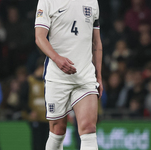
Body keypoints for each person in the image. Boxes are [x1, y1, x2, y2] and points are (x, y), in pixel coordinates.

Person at [35, 0, 103, 149]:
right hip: (57, 77)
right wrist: (57, 59)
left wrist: (98, 76)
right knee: (58, 131)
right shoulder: (47, 1)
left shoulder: (92, 2)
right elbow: (40, 37)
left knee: (89, 129)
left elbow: (96, 42)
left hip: (85, 76)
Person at [20, 58, 49, 150]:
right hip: (34, 118)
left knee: (46, 143)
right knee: (36, 143)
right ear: (41, 67)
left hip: (47, 118)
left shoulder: (47, 81)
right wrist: (30, 111)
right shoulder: (29, 81)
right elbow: (22, 99)